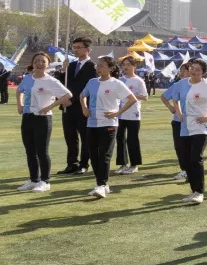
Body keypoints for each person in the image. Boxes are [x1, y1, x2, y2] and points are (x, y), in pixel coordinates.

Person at [80, 56, 137, 199]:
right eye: (98, 65)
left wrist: (117, 113)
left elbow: (132, 99)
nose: (99, 68)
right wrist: (84, 108)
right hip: (92, 123)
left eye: (102, 65)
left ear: (111, 68)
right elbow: (82, 95)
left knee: (104, 155)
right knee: (93, 155)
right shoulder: (92, 82)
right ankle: (101, 184)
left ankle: (101, 185)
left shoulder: (116, 83)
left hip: (109, 124)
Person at [16, 52, 72, 192]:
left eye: (43, 61)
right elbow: (19, 90)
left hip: (43, 119)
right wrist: (19, 105)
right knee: (30, 150)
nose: (39, 64)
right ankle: (33, 179)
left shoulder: (50, 81)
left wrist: (50, 106)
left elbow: (67, 95)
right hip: (27, 117)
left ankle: (45, 181)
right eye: (37, 61)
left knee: (42, 151)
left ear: (48, 64)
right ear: (33, 63)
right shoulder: (27, 78)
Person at [171, 58, 207, 204]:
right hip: (186, 125)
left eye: (198, 69)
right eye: (192, 68)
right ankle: (193, 191)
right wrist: (179, 113)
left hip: (202, 126)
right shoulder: (182, 83)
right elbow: (175, 98)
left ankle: (199, 192)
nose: (194, 71)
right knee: (187, 159)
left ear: (203, 72)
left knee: (196, 157)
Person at [58, 37, 96, 175]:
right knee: (70, 136)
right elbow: (62, 84)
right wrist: (63, 70)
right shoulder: (71, 65)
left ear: (88, 49)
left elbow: (90, 87)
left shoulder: (93, 67)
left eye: (79, 47)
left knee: (86, 137)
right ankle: (72, 163)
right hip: (68, 106)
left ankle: (84, 164)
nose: (75, 50)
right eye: (74, 47)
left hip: (83, 106)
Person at [114, 56, 148, 176]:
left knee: (132, 139)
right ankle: (123, 164)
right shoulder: (120, 80)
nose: (126, 67)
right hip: (119, 114)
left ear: (134, 66)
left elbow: (145, 97)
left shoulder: (138, 81)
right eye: (124, 65)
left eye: (129, 64)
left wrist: (131, 95)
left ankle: (134, 165)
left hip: (133, 114)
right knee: (120, 139)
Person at [161, 63, 193, 181]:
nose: (182, 73)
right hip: (178, 121)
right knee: (180, 147)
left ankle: (191, 170)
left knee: (192, 148)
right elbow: (164, 96)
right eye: (182, 70)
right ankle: (184, 169)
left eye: (184, 70)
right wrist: (171, 107)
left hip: (193, 122)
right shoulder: (177, 85)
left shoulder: (198, 85)